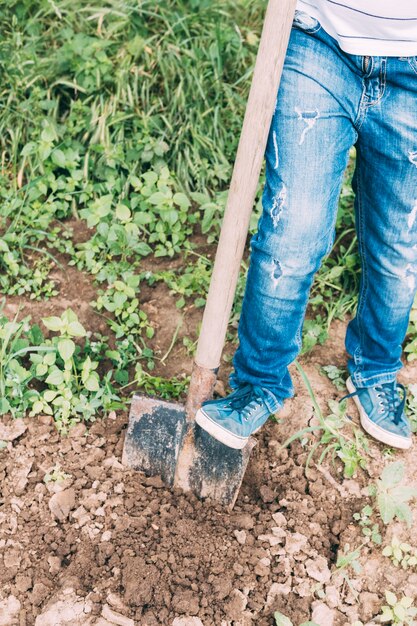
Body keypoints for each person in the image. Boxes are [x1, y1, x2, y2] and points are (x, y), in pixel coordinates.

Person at [195, 1, 417, 451]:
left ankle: (376, 369)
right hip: (318, 42)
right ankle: (258, 383)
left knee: (399, 246)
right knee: (292, 234)